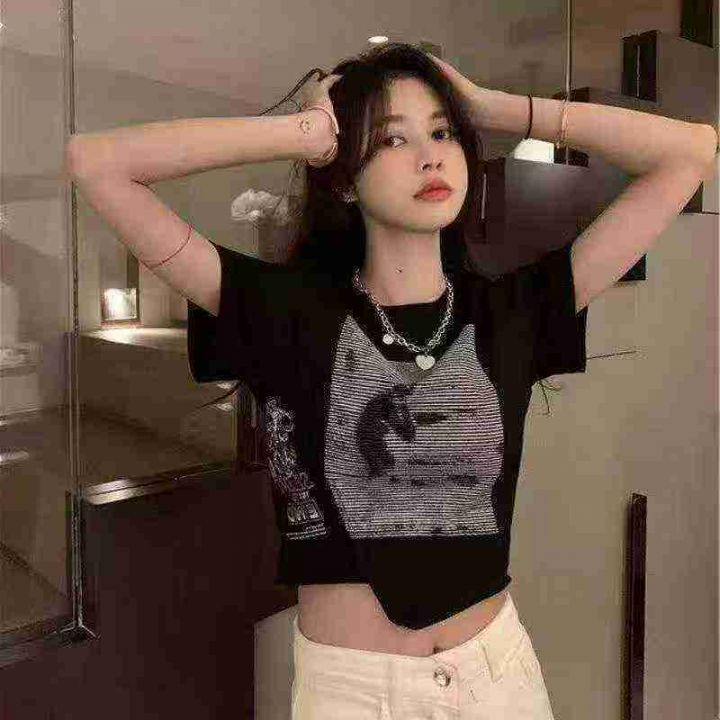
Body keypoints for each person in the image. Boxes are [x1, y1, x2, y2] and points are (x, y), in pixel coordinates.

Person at [66, 42, 587, 720]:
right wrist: (302, 133)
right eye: (391, 139)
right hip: (352, 693)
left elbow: (689, 154)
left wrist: (495, 108)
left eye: (443, 132)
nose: (429, 157)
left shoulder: (512, 310)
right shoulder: (285, 309)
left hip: (497, 680)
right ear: (343, 179)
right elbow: (96, 163)